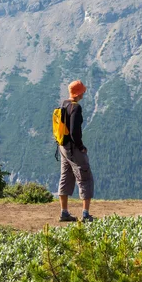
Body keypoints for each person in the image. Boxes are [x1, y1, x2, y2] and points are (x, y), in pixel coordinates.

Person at [58, 80, 94, 222]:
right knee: (85, 177)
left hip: (63, 147)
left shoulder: (63, 104)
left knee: (65, 176)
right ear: (79, 92)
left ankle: (64, 212)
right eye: (83, 91)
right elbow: (74, 132)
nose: (84, 93)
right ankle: (85, 214)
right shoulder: (76, 108)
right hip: (73, 148)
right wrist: (81, 147)